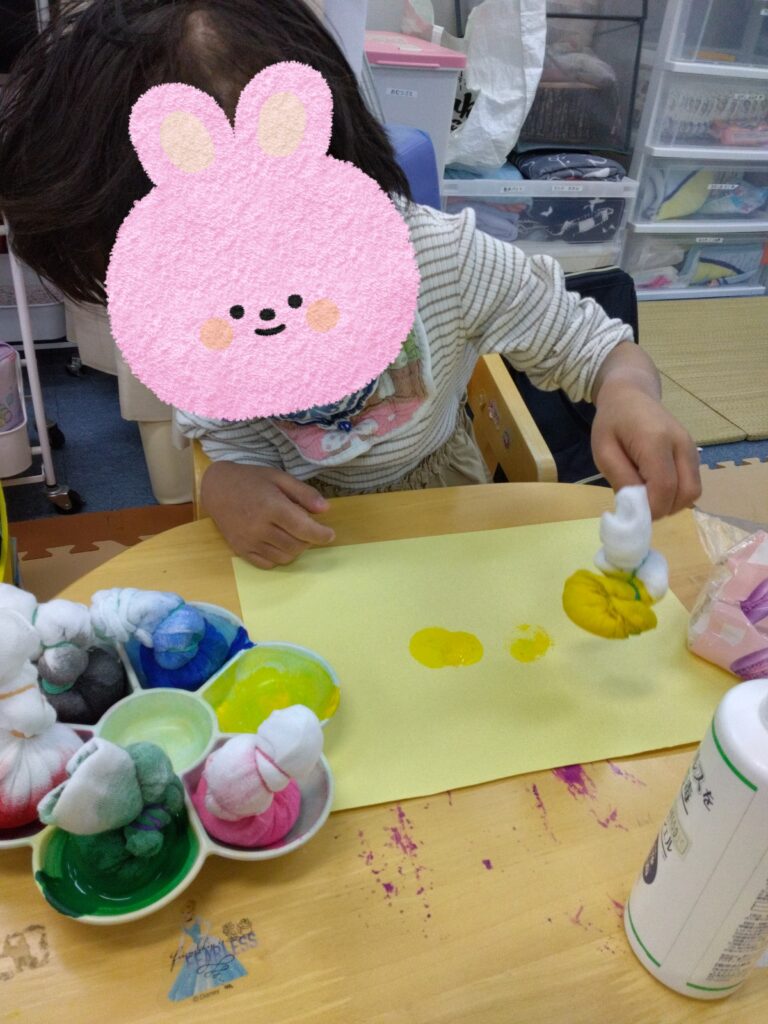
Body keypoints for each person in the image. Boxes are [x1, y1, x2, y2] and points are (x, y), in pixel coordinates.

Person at [0, 0, 701, 570]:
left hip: (442, 517)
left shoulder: (442, 258)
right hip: (303, 540)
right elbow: (223, 441)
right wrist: (224, 484)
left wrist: (627, 394)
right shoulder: (196, 319)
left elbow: (598, 346)